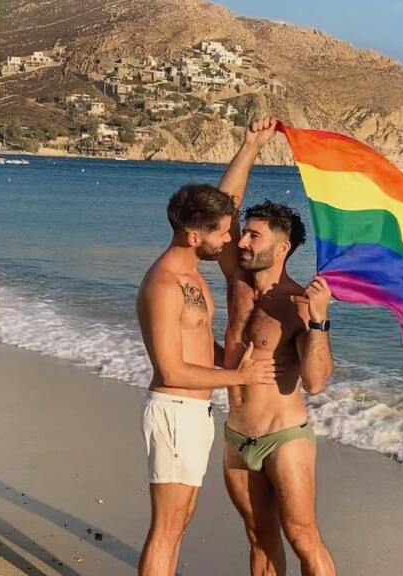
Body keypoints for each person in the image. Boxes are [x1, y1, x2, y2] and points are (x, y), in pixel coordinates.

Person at [136, 117, 281, 575]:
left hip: (193, 412)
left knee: (180, 521)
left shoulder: (192, 265)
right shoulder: (164, 285)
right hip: (175, 409)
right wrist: (240, 375)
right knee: (168, 527)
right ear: (195, 236)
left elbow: (228, 205)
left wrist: (250, 147)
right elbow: (171, 370)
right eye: (222, 234)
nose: (231, 240)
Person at [219, 193, 338, 575]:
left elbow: (316, 381)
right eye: (244, 234)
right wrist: (251, 145)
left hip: (283, 438)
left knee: (303, 536)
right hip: (237, 437)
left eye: (253, 236)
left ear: (281, 248)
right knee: (259, 537)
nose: (241, 241)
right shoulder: (237, 282)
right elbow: (224, 208)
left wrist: (319, 320)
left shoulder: (297, 303)